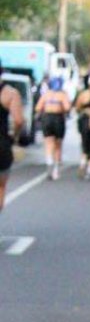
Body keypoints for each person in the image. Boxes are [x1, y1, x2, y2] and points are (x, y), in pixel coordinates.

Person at [35, 76, 71, 181]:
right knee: (58, 144)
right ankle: (55, 169)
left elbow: (38, 107)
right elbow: (67, 107)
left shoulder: (46, 95)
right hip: (58, 118)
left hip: (46, 118)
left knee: (48, 142)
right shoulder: (63, 95)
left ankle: (49, 163)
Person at [0, 62, 25, 212]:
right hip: (2, 143)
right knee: (1, 187)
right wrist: (14, 137)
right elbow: (18, 120)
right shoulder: (10, 93)